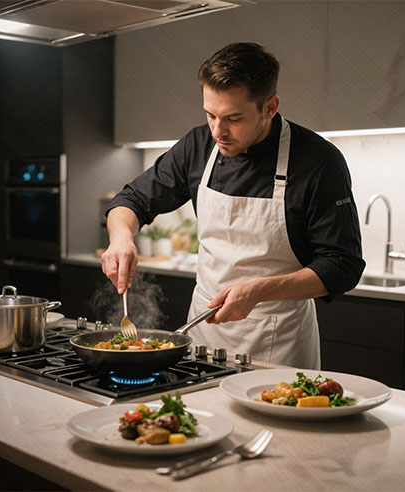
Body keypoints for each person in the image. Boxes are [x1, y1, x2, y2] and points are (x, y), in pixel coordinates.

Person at [101, 42, 365, 369]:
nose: (218, 131)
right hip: (203, 332)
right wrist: (121, 239)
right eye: (210, 115)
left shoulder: (318, 161)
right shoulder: (198, 146)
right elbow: (132, 200)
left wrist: (258, 291)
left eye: (233, 118)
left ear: (269, 107)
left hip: (277, 339)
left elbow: (343, 265)